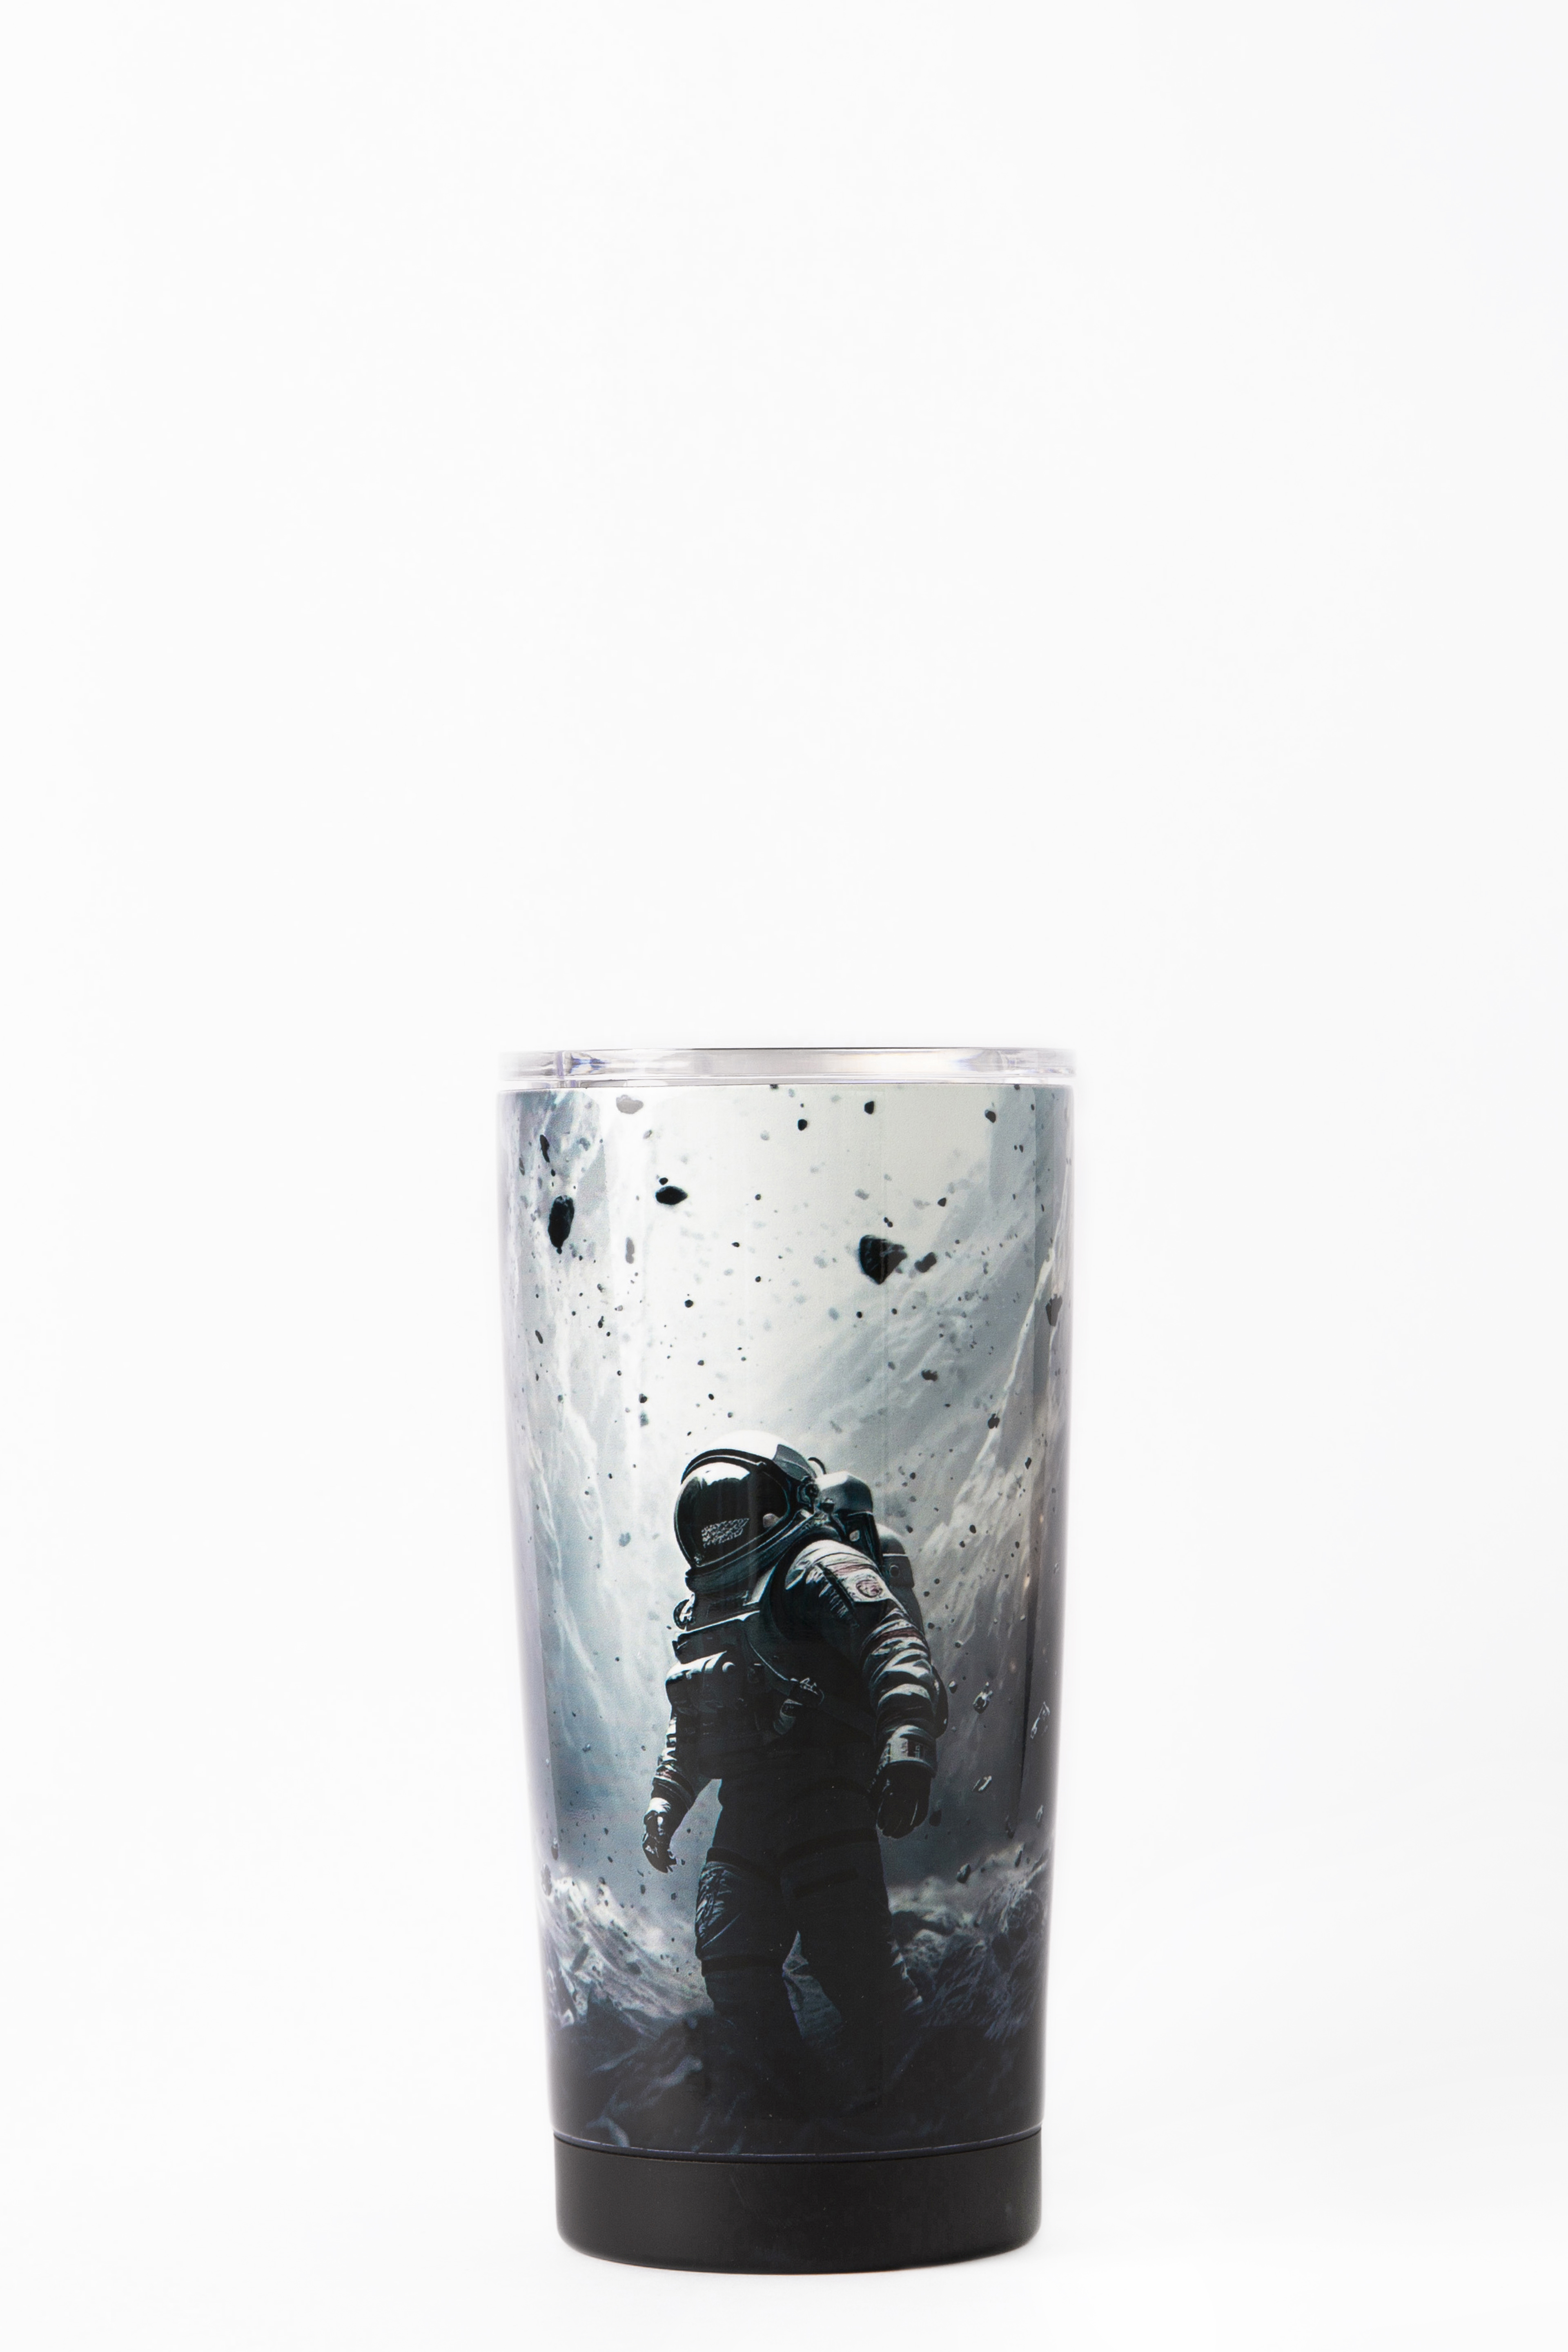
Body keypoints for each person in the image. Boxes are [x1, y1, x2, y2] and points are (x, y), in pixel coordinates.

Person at [642, 1433, 942, 2097]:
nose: (720, 1524)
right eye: (707, 1513)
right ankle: (797, 2106)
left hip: (822, 1788)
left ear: (787, 1500)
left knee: (850, 1960)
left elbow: (889, 1642)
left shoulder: (814, 1564)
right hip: (748, 1806)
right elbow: (692, 1719)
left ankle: (925, 2093)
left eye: (734, 1506)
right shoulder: (707, 1609)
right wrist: (668, 1797)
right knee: (729, 1956)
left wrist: (906, 1740)